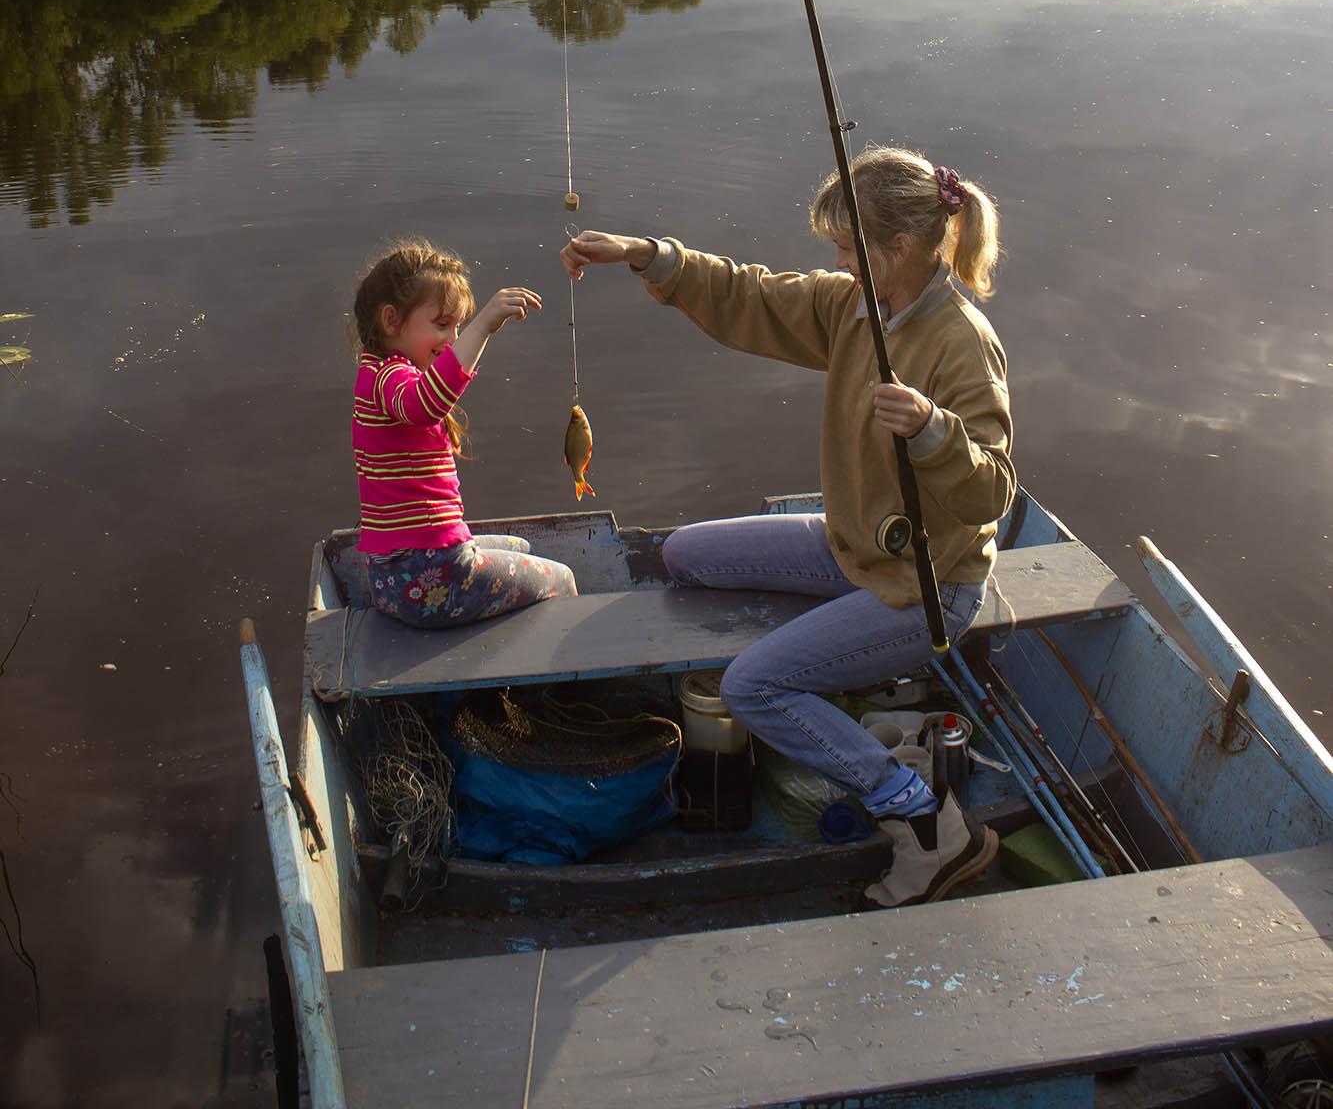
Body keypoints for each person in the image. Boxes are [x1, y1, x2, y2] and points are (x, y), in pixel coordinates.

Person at [560, 145, 1015, 907]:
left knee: (755, 687)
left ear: (896, 249)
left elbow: (992, 492)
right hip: (851, 546)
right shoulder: (854, 307)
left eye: (844, 247)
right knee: (685, 555)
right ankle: (838, 665)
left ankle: (925, 822)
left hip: (925, 585)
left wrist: (935, 431)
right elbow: (756, 296)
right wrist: (648, 255)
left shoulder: (960, 341)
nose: (834, 262)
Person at [352, 239, 576, 627]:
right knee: (563, 578)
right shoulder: (391, 381)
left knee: (522, 548)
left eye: (458, 327)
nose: (454, 339)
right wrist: (483, 325)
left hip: (397, 575)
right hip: (430, 576)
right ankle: (566, 669)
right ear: (391, 320)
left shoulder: (375, 375)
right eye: (442, 325)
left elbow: (428, 395)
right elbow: (424, 405)